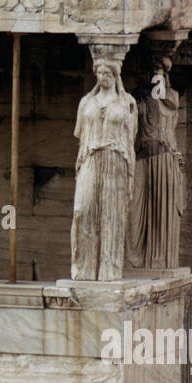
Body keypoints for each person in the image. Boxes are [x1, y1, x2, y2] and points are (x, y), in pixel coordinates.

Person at [71, 58, 137, 281]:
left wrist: (130, 174)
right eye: (99, 73)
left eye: (106, 73)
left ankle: (109, 270)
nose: (102, 77)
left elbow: (130, 139)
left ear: (115, 75)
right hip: (90, 156)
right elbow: (80, 136)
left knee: (112, 215)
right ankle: (84, 268)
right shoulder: (86, 102)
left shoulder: (127, 102)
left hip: (115, 158)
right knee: (82, 209)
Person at [127, 57, 183, 269]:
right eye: (154, 70)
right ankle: (134, 260)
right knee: (134, 212)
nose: (157, 76)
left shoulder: (171, 98)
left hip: (163, 157)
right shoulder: (136, 97)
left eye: (161, 71)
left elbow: (162, 103)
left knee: (162, 213)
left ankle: (158, 262)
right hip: (140, 156)